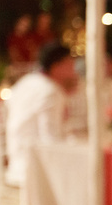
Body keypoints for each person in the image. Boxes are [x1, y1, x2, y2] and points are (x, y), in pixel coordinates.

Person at [6, 43, 78, 185]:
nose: (74, 70)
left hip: (16, 160)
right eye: (70, 65)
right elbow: (50, 142)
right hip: (33, 167)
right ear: (56, 67)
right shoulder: (50, 92)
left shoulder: (27, 81)